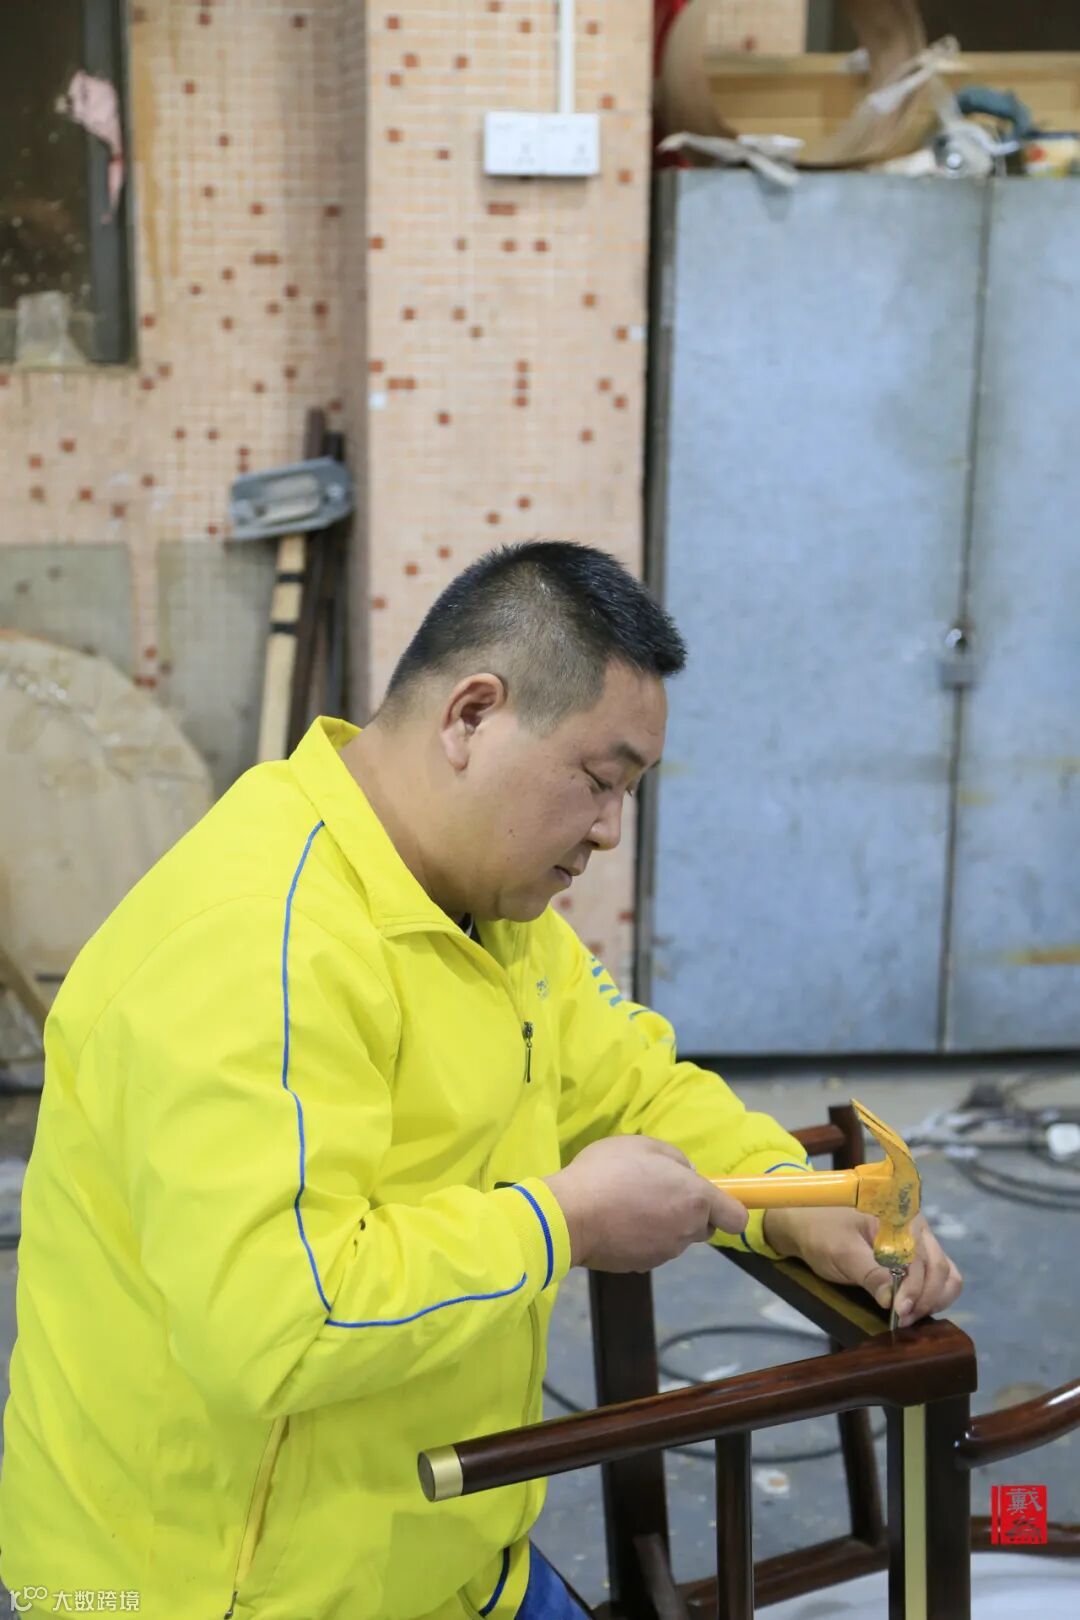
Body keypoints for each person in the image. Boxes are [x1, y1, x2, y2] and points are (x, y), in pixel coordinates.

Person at [0, 542, 962, 1619]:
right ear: (471, 716)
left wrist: (792, 1200)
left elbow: (632, 1087)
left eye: (629, 792)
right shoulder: (258, 943)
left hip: (441, 1549)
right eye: (598, 780)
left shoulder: (486, 909)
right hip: (216, 1587)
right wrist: (563, 1223)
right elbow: (276, 1324)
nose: (609, 830)